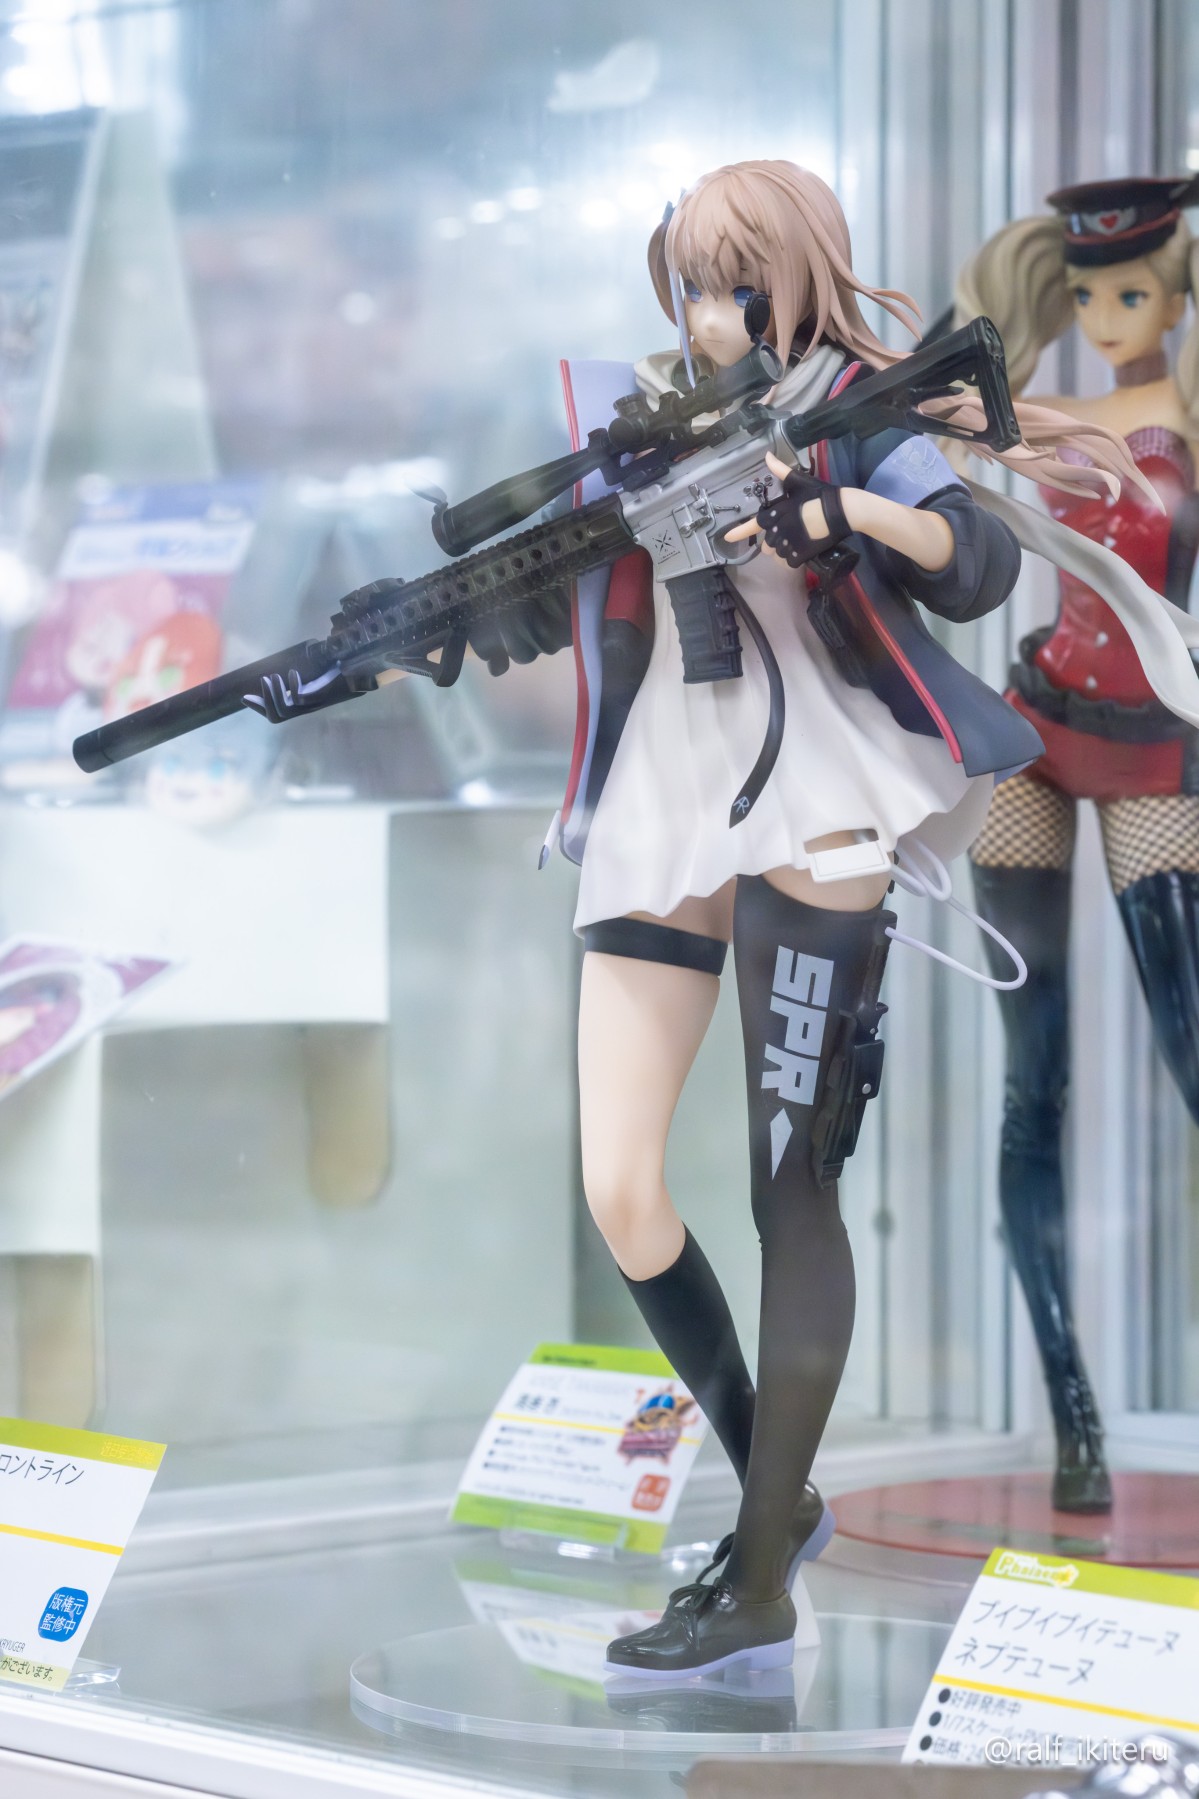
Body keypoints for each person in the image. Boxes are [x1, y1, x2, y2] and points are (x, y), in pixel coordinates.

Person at [955, 177, 1199, 1513]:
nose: (1108, 320)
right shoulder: (1035, 412)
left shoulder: (1182, 418)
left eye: (1134, 295)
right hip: (1037, 727)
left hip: (1156, 738)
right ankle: (1074, 1416)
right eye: (1090, 295)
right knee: (1029, 1081)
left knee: (1191, 1055)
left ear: (1177, 296)